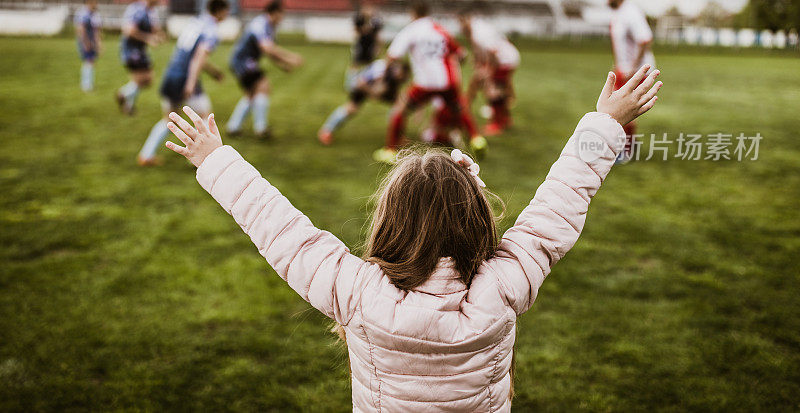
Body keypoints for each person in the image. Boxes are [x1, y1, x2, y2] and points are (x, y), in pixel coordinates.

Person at [163, 65, 662, 412]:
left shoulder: (358, 293)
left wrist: (216, 159)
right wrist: (605, 123)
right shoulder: (503, 286)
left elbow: (283, 232)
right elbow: (558, 205)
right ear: (477, 218)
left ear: (389, 222)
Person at [373, 0, 486, 163]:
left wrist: (383, 75)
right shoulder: (439, 29)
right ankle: (477, 140)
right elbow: (462, 54)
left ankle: (390, 150)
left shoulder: (412, 30)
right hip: (448, 81)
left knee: (400, 109)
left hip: (426, 82)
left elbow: (393, 55)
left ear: (413, 14)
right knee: (460, 109)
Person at [136, 0, 229, 166]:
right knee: (205, 115)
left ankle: (146, 155)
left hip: (171, 73)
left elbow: (191, 53)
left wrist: (213, 71)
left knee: (168, 119)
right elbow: (199, 56)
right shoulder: (211, 30)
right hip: (185, 77)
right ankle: (205, 161)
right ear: (220, 11)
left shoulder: (196, 22)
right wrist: (191, 82)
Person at [226, 0, 303, 138]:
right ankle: (260, 128)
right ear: (274, 13)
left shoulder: (269, 27)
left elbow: (269, 51)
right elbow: (267, 48)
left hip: (244, 61)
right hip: (243, 62)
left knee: (252, 94)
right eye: (281, 14)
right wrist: (290, 57)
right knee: (263, 86)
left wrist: (282, 65)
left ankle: (234, 127)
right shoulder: (260, 24)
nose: (282, 18)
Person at [607, 0, 657, 163]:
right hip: (624, 69)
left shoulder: (631, 12)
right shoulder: (617, 15)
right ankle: (623, 148)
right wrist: (618, 64)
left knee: (622, 110)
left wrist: (634, 68)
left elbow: (645, 40)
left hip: (636, 71)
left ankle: (625, 151)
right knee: (614, 109)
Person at [317, 59, 409, 145]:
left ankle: (397, 136)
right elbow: (360, 83)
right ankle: (326, 131)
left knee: (401, 105)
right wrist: (372, 92)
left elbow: (392, 90)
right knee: (351, 108)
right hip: (361, 87)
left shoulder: (398, 72)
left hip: (377, 90)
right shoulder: (380, 67)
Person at [459, 11, 520, 135]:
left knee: (492, 89)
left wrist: (489, 70)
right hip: (507, 57)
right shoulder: (477, 27)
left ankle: (497, 124)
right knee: (497, 88)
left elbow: (492, 52)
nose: (460, 27)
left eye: (461, 22)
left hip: (503, 60)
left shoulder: (478, 33)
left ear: (467, 20)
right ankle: (506, 120)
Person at [116, 0, 164, 115]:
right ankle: (125, 97)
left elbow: (154, 27)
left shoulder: (149, 11)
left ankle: (126, 99)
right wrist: (148, 38)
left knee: (145, 80)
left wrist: (159, 35)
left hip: (140, 50)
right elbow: (129, 30)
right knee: (143, 79)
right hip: (131, 50)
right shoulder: (137, 9)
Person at [74, 0, 102, 92]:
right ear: (89, 2)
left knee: (91, 62)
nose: (96, 4)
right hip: (86, 41)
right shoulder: (84, 13)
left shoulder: (94, 14)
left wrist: (98, 43)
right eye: (94, 2)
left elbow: (96, 30)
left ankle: (88, 84)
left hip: (91, 41)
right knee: (88, 62)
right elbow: (81, 29)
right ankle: (86, 86)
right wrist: (86, 42)